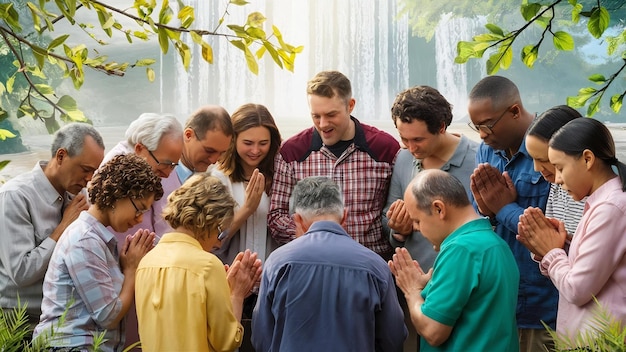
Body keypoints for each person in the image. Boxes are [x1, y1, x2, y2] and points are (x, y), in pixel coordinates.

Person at [253, 176, 407, 351]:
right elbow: (392, 337)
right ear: (344, 217)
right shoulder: (375, 266)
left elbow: (262, 337)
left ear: (298, 220)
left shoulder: (277, 263)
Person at [32, 154, 163, 351]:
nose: (138, 220)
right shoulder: (85, 240)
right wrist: (131, 271)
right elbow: (107, 316)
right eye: (138, 210)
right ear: (117, 194)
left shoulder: (99, 240)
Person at [383, 85, 478, 351]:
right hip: (414, 290)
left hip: (462, 289)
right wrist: (397, 230)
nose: (410, 147)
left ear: (441, 126)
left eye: (418, 140)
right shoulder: (402, 159)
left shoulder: (478, 158)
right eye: (404, 139)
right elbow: (387, 216)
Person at [517, 118, 626, 346]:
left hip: (602, 343)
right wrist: (560, 247)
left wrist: (552, 252)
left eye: (560, 168)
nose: (556, 179)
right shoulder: (601, 203)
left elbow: (577, 289)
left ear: (587, 159)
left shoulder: (610, 208)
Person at [268, 70, 400, 259]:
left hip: (371, 266)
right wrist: (312, 236)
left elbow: (393, 214)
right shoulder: (292, 152)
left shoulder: (385, 149)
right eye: (316, 116)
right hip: (312, 262)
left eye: (331, 115)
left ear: (350, 105)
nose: (323, 124)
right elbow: (276, 215)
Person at [467, 75, 556, 351]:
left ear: (515, 111)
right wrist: (487, 210)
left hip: (544, 306)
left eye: (487, 125)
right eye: (476, 126)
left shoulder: (553, 147)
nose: (482, 134)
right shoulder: (486, 150)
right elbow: (481, 213)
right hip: (499, 301)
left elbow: (553, 233)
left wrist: (503, 208)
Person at [389, 169, 519, 351]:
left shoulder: (461, 249)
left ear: (439, 208)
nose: (416, 228)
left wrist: (412, 291)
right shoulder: (495, 243)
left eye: (417, 220)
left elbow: (433, 331)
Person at [135, 173, 262, 352]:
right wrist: (236, 295)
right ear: (210, 222)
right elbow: (226, 342)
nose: (219, 243)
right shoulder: (207, 266)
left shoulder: (146, 263)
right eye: (222, 233)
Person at [0, 123, 105, 329]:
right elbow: (21, 272)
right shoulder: (16, 197)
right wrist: (64, 226)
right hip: (19, 323)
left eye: (94, 171)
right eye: (85, 169)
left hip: (63, 318)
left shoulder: (78, 196)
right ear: (61, 156)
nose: (89, 179)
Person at [98, 112, 183, 350]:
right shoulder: (120, 172)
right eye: (165, 164)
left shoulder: (153, 162)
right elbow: (133, 240)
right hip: (130, 275)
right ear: (140, 148)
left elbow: (171, 217)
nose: (168, 173)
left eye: (175, 165)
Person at [210, 103, 282, 265]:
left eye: (263, 143)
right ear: (233, 140)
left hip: (270, 277)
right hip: (230, 275)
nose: (255, 151)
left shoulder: (281, 175)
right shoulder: (219, 179)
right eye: (248, 143)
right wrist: (247, 209)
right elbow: (212, 241)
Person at [520, 105, 585, 241]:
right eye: (532, 158)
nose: (537, 168)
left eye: (544, 159)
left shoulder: (601, 201)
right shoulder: (557, 186)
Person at [159, 105, 233, 213]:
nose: (214, 160)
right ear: (188, 135)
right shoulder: (159, 174)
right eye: (209, 150)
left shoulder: (213, 180)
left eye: (222, 153)